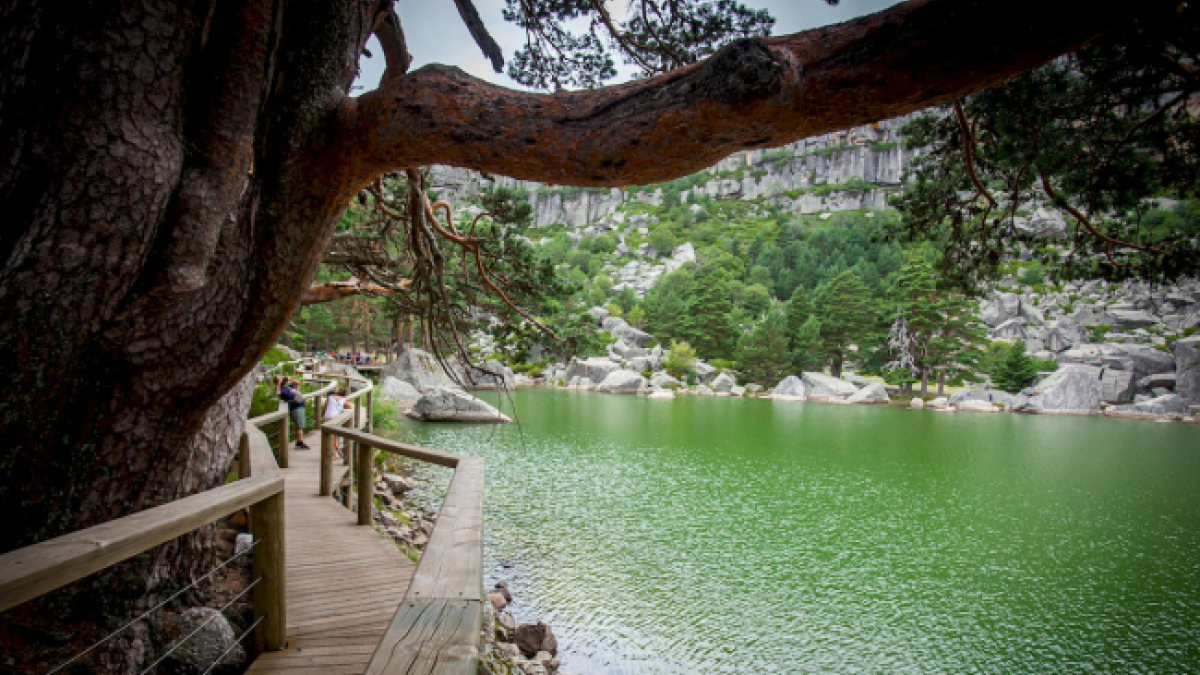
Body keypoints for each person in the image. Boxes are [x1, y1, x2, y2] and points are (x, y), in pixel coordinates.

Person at [276, 376, 310, 450]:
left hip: (299, 406)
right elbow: (278, 393)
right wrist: (279, 382)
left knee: (300, 426)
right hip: (296, 408)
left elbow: (298, 383)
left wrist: (289, 378)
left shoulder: (288, 387)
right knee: (299, 426)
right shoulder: (282, 390)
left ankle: (299, 442)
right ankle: (300, 443)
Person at [323, 388, 353, 461]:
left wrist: (323, 414)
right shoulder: (342, 400)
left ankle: (336, 451)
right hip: (336, 418)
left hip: (328, 416)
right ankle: (336, 452)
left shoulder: (329, 397)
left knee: (331, 436)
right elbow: (350, 407)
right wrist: (341, 408)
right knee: (335, 436)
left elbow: (325, 407)